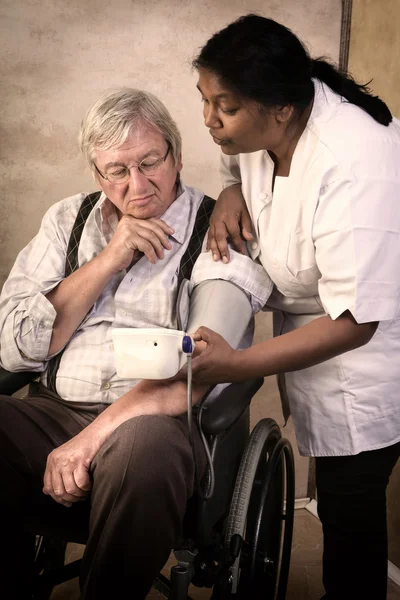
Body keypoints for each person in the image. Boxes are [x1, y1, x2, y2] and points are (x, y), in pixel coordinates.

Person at [0, 87, 271, 599]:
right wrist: (109, 259)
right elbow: (14, 348)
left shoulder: (217, 231)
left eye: (150, 162)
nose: (138, 185)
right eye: (117, 171)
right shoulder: (67, 220)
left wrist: (87, 442)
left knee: (145, 446)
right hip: (54, 411)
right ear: (97, 174)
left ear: (177, 153)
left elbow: (201, 370)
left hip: (154, 423)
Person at [191, 14, 400, 600]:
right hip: (315, 331)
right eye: (204, 101)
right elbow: (259, 180)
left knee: (348, 517)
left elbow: (359, 320)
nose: (209, 120)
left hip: (366, 361)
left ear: (279, 107)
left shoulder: (353, 161)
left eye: (223, 107)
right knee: (338, 505)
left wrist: (238, 364)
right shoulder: (272, 127)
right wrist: (232, 193)